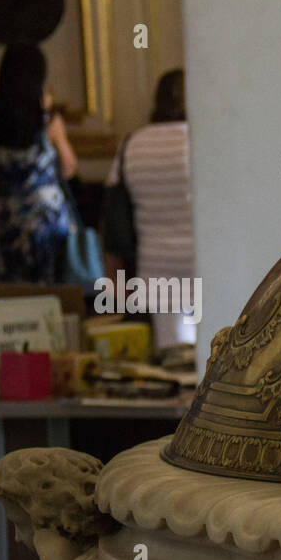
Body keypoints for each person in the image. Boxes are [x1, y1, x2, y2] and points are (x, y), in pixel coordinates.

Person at [102, 69, 195, 353]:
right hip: (207, 270)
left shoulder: (131, 145)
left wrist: (115, 289)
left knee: (171, 364)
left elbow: (113, 224)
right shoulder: (202, 141)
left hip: (155, 278)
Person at [0, 43, 78, 284]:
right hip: (50, 220)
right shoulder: (49, 122)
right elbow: (68, 167)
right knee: (55, 297)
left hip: (9, 220)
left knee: (14, 300)